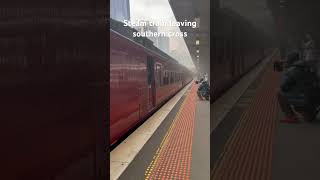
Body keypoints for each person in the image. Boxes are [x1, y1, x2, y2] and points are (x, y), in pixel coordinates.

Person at [278, 51, 316, 123]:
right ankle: (309, 114)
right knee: (305, 90)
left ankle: (291, 117)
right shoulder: (308, 65)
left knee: (279, 93)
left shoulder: (292, 70)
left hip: (304, 97)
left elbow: (283, 86)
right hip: (315, 97)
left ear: (290, 60)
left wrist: (286, 72)